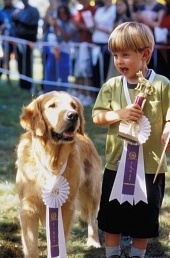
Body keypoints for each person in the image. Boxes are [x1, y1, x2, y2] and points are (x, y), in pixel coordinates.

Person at [92, 21, 170, 258]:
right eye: (115, 55)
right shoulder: (111, 85)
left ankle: (137, 254)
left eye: (125, 55)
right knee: (111, 217)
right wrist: (119, 114)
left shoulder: (162, 84)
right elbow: (97, 117)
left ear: (145, 54)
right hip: (116, 165)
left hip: (150, 168)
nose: (119, 61)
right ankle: (113, 253)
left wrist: (168, 126)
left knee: (143, 219)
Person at [43, 4, 78, 93]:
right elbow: (54, 35)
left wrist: (57, 26)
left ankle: (63, 91)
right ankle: (50, 91)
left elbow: (66, 38)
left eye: (64, 12)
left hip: (65, 51)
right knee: (51, 70)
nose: (62, 15)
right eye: (60, 13)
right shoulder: (56, 23)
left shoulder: (71, 24)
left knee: (64, 72)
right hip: (54, 51)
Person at [12, 0, 39, 90]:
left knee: (27, 62)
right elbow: (16, 26)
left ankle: (28, 84)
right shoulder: (20, 11)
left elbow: (33, 26)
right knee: (20, 62)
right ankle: (22, 83)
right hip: (20, 40)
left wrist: (19, 21)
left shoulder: (33, 10)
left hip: (29, 40)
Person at [92, 0, 116, 90]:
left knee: (106, 70)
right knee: (96, 70)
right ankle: (97, 92)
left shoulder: (114, 9)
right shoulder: (99, 10)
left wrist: (99, 27)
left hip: (107, 44)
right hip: (96, 43)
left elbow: (113, 29)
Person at [0, 0, 16, 81]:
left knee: (20, 60)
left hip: (16, 40)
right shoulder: (1, 12)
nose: (8, 2)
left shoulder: (16, 11)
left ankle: (23, 81)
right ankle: (7, 78)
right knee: (5, 59)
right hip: (5, 41)